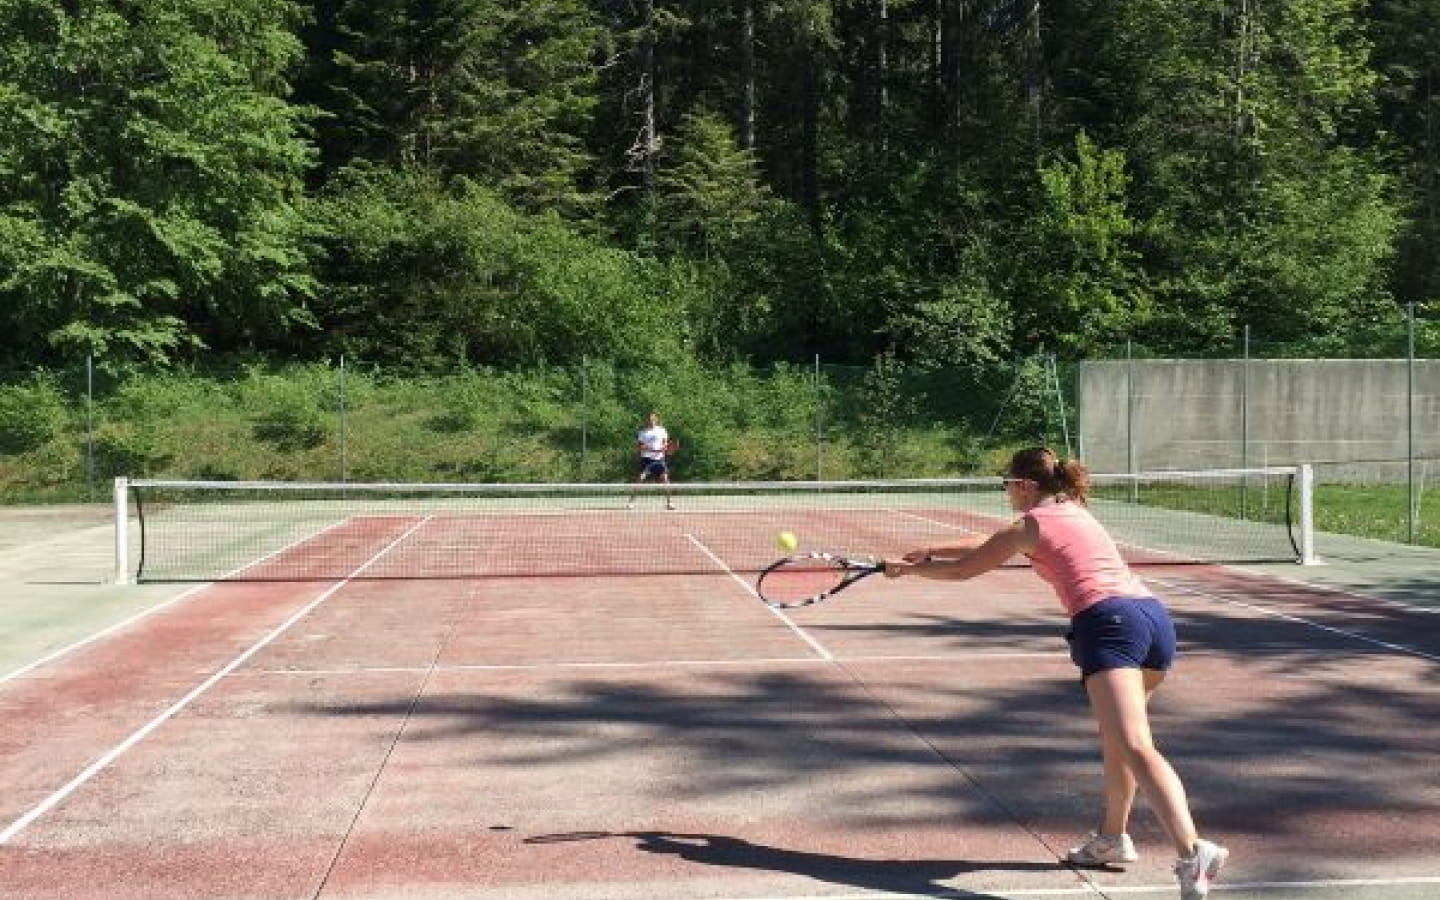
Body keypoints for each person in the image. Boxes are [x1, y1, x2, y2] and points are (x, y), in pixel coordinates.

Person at [883, 447, 1228, 900]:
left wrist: (911, 572)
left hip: (1109, 624)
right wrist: (931, 550)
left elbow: (968, 569)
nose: (1006, 491)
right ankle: (1112, 837)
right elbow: (995, 542)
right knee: (1117, 739)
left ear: (1025, 486)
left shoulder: (1031, 524)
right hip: (1152, 620)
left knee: (1136, 745)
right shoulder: (1070, 509)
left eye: (1008, 484)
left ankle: (1192, 851)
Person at [628, 411, 677, 510]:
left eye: (653, 419)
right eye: (650, 419)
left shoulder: (662, 431)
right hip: (646, 459)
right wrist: (653, 450)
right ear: (647, 421)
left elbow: (665, 443)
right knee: (640, 479)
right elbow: (640, 447)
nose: (651, 421)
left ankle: (669, 502)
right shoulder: (642, 432)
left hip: (659, 460)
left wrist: (664, 448)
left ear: (656, 420)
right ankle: (631, 501)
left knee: (665, 480)